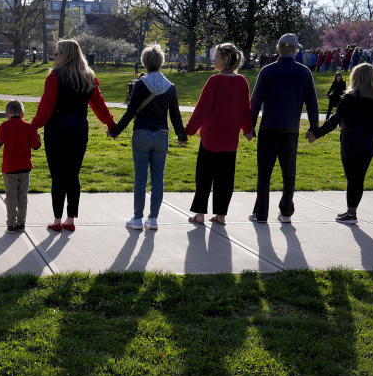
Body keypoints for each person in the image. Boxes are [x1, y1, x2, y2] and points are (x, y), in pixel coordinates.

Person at [31, 39, 116, 232]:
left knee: (58, 176)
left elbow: (46, 107)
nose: (54, 56)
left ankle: (57, 219)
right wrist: (111, 124)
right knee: (73, 175)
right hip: (79, 129)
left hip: (57, 130)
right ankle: (70, 219)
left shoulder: (55, 76)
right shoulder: (89, 77)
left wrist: (33, 126)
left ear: (65, 55)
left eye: (57, 53)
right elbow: (99, 106)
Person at [109, 44, 187, 231]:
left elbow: (130, 112)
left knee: (141, 179)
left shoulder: (140, 84)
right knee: (158, 179)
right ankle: (153, 219)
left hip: (142, 133)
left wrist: (115, 131)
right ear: (162, 62)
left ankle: (137, 218)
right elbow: (175, 116)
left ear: (144, 62)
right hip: (162, 135)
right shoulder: (171, 87)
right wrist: (181, 136)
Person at [248, 33, 320, 223]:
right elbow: (312, 104)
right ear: (295, 50)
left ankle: (260, 213)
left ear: (278, 50)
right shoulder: (304, 72)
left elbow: (255, 102)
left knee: (264, 173)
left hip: (268, 128)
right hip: (290, 130)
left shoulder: (267, 71)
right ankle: (286, 211)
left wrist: (249, 126)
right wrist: (314, 128)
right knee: (289, 173)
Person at [308, 63, 373, 224]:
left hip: (350, 141)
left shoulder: (351, 98)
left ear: (355, 77)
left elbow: (335, 119)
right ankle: (352, 211)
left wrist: (317, 133)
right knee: (359, 178)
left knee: (352, 178)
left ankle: (351, 213)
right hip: (368, 142)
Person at [182, 42, 252, 225]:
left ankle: (199, 215)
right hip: (230, 140)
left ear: (226, 59)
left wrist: (188, 131)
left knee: (204, 177)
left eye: (217, 56)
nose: (214, 59)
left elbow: (201, 110)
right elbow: (246, 109)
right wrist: (248, 130)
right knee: (225, 179)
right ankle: (221, 215)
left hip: (211, 139)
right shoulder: (242, 81)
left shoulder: (214, 81)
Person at [0, 99, 42, 232]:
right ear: (22, 113)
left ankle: (11, 223)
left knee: (11, 197)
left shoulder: (4, 127)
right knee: (22, 196)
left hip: (9, 169)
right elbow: (36, 146)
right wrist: (37, 135)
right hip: (25, 168)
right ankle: (21, 223)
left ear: (7, 114)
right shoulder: (29, 127)